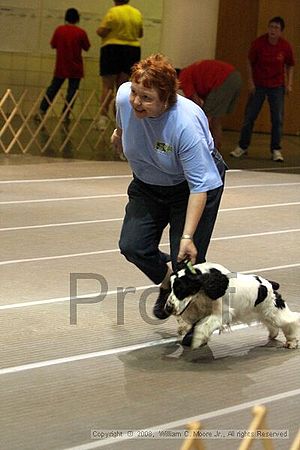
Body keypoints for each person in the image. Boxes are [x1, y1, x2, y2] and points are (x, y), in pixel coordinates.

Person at [111, 54, 227, 321]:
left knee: (184, 260)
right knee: (132, 245)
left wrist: (187, 237)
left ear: (167, 100)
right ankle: (167, 282)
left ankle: (199, 321)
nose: (137, 102)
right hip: (148, 182)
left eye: (147, 98)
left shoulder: (185, 126)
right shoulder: (124, 96)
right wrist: (118, 133)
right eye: (135, 93)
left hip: (190, 188)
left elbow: (200, 186)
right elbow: (122, 118)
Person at [231, 16, 295, 162]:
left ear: (281, 32)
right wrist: (251, 81)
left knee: (277, 119)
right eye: (271, 27)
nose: (273, 30)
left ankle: (276, 149)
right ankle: (242, 146)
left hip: (277, 86)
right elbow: (249, 61)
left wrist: (289, 83)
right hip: (259, 85)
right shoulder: (259, 43)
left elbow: (290, 65)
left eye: (276, 28)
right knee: (250, 116)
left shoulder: (285, 46)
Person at [96, 0, 143, 130]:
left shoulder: (113, 12)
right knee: (122, 87)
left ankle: (103, 119)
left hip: (112, 48)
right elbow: (140, 33)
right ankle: (120, 120)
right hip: (132, 50)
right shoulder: (136, 13)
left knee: (107, 86)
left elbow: (102, 31)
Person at [36, 8, 90, 121]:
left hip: (61, 66)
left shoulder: (59, 30)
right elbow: (87, 47)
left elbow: (53, 45)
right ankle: (65, 115)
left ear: (66, 18)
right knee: (71, 93)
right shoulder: (81, 32)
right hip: (76, 68)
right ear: (77, 19)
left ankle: (42, 111)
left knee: (53, 89)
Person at [177, 60, 242, 149]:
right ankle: (214, 149)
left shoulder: (183, 77)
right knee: (215, 119)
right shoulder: (190, 71)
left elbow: (197, 103)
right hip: (234, 77)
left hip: (223, 80)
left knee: (205, 119)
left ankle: (207, 150)